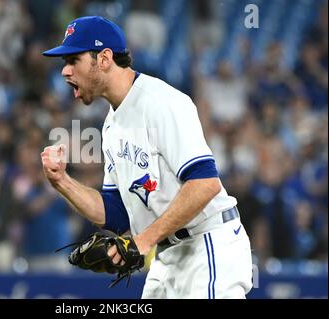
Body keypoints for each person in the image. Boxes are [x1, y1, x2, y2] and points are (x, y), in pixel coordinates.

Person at [41, 16, 253, 299]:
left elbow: (205, 184)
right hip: (166, 258)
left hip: (207, 244)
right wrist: (62, 182)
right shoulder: (112, 124)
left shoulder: (162, 103)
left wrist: (141, 242)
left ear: (104, 58)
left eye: (73, 60)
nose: (65, 72)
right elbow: (115, 214)